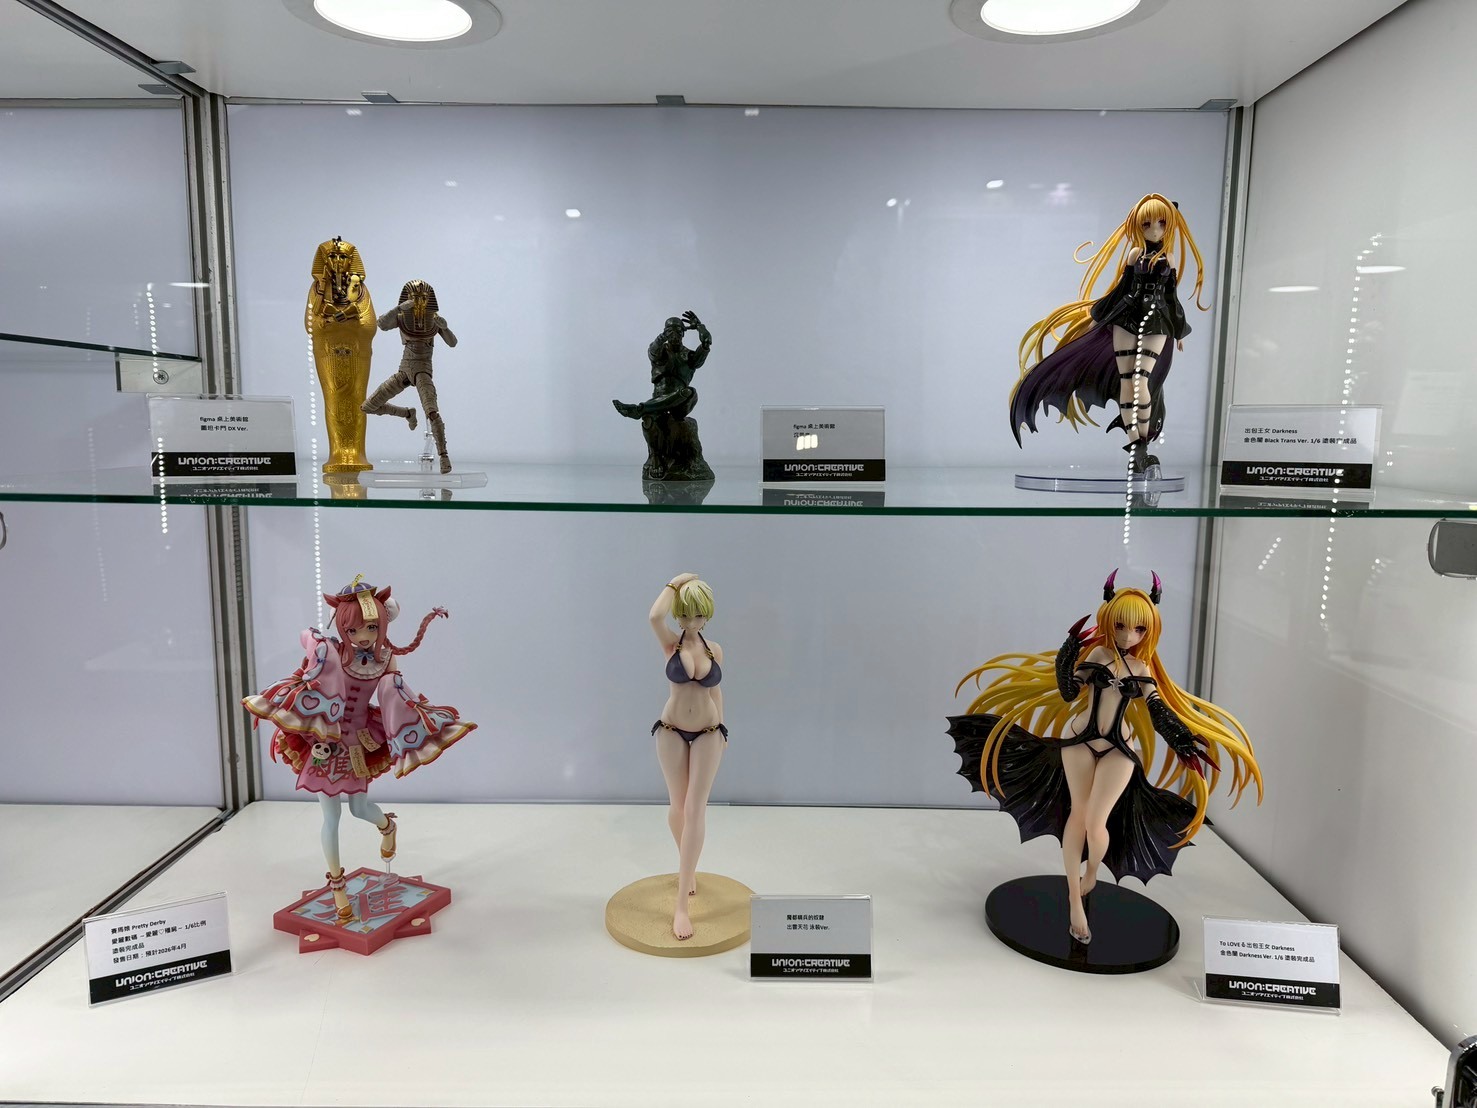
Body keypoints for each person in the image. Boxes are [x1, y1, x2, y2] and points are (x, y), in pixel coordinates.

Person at [947, 571, 1261, 944]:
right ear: (1108, 621)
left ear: (1150, 631)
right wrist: (1068, 650)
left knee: (1098, 823)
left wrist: (1180, 739)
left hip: (1119, 747)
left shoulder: (1142, 669)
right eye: (1121, 626)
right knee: (1079, 815)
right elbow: (1068, 692)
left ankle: (1092, 872)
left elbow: (1158, 711)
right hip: (1080, 739)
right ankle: (1073, 898)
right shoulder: (1097, 655)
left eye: (1139, 629)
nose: (1128, 636)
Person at [244, 577, 475, 923]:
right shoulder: (332, 652)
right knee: (331, 818)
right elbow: (306, 637)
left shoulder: (385, 659)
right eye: (352, 629)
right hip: (325, 739)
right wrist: (317, 643)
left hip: (358, 743)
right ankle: (338, 886)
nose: (363, 636)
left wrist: (413, 714)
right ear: (341, 627)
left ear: (383, 623)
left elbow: (396, 698)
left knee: (358, 808)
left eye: (371, 627)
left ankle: (387, 826)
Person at [1009, 194, 1209, 474]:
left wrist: (1179, 330)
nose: (1154, 230)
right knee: (1128, 381)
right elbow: (1122, 290)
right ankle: (1136, 446)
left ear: (1169, 225)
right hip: (1125, 319)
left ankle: (1142, 442)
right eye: (1147, 224)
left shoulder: (1170, 258)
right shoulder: (1135, 254)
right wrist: (1098, 319)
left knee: (1141, 381)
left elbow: (1171, 297)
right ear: (1138, 226)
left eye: (1161, 223)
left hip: (1158, 322)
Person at [646, 573, 726, 940]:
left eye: (698, 615)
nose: (691, 621)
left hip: (709, 733)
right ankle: (687, 866)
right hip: (671, 731)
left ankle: (681, 905)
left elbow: (717, 692)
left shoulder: (715, 650)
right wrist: (675, 582)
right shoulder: (669, 644)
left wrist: (722, 727)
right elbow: (654, 616)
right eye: (684, 614)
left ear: (707, 614)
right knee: (677, 807)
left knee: (696, 808)